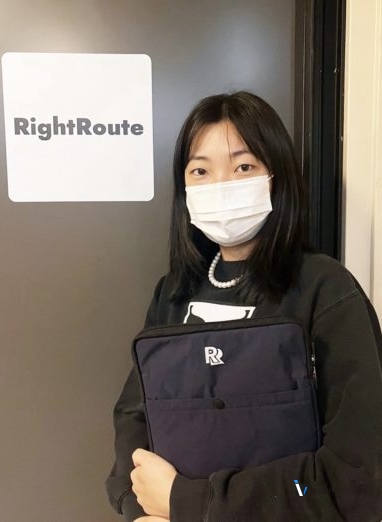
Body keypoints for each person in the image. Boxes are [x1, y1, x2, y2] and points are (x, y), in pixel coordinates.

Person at [105, 91, 382, 522]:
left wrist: (191, 501)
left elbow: (357, 476)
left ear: (276, 176)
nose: (221, 185)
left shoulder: (326, 290)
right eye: (200, 170)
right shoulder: (173, 293)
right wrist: (135, 506)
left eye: (243, 167)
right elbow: (134, 415)